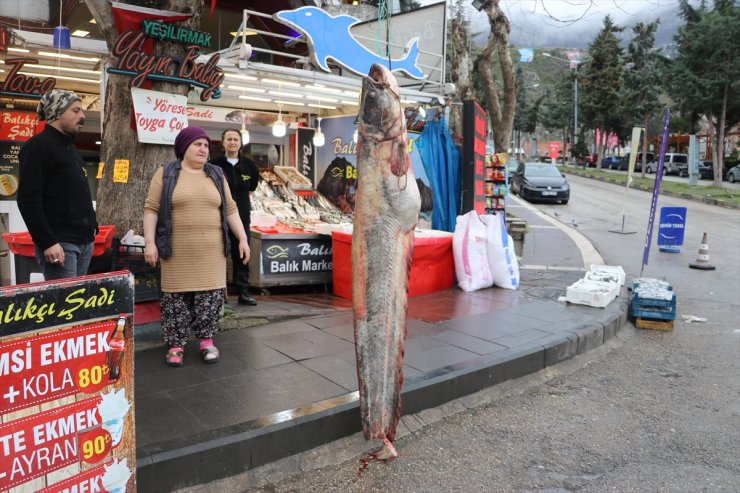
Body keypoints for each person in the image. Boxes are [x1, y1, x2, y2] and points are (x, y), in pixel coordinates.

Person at [143, 126, 250, 367]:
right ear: (184, 148)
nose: (203, 149)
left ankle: (206, 341)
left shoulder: (216, 174)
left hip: (211, 253)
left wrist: (242, 239)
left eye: (205, 145)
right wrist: (150, 243)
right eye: (197, 144)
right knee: (175, 300)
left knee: (209, 298)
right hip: (175, 252)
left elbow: (231, 209)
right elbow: (151, 209)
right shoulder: (166, 173)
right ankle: (176, 345)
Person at [17, 89, 97, 281]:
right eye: (76, 110)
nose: (82, 116)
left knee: (77, 304)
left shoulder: (70, 148)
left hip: (84, 242)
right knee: (65, 307)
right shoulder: (38, 146)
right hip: (61, 244)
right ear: (57, 113)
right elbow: (28, 200)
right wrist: (48, 242)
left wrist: (92, 226)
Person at [208, 129, 260, 305]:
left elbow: (252, 186)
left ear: (240, 142)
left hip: (243, 217)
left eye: (235, 139)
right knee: (219, 255)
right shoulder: (214, 164)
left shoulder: (249, 165)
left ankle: (243, 292)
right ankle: (220, 293)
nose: (232, 142)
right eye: (228, 139)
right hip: (218, 218)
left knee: (242, 255)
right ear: (223, 142)